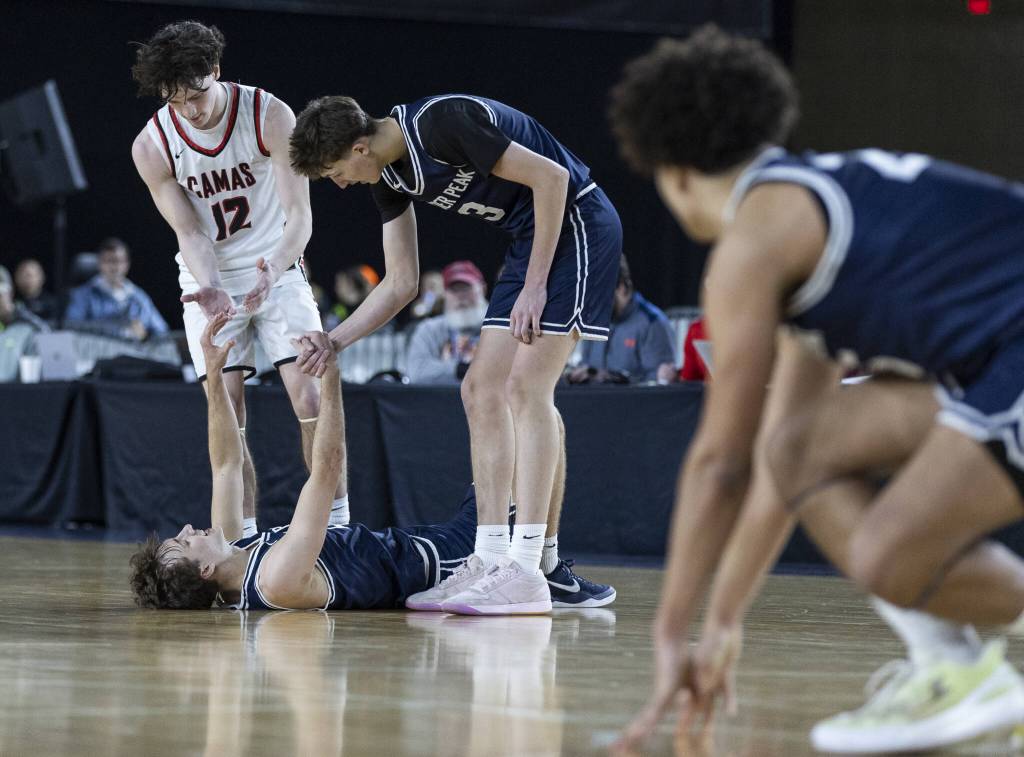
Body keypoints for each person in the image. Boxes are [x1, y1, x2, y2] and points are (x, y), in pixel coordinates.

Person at [607, 25, 1024, 753]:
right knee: (803, 446)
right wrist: (723, 619)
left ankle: (966, 674)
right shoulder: (814, 211)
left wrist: (670, 628)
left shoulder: (752, 245)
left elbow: (720, 463)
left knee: (889, 558)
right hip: (997, 358)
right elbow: (780, 463)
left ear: (672, 174)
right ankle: (950, 667)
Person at [288, 93, 621, 613]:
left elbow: (553, 179)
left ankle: (528, 567)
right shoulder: (390, 179)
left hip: (578, 227)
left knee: (525, 388)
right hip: (529, 239)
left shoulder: (442, 123)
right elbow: (401, 283)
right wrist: (335, 341)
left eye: (335, 171)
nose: (339, 183)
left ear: (358, 147)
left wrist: (535, 287)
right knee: (479, 388)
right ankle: (492, 558)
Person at [128, 315, 610, 611]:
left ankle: (545, 562)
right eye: (184, 541)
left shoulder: (235, 553)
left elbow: (226, 465)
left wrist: (214, 375)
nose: (189, 528)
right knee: (537, 418)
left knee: (522, 416)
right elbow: (328, 469)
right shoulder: (274, 578)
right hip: (451, 559)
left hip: (434, 538)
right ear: (205, 572)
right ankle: (545, 564)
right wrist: (332, 374)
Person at [129, 20, 347, 536]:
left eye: (198, 96)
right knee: (226, 408)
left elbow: (300, 216)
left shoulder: (269, 114)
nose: (191, 110)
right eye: (176, 100)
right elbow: (189, 230)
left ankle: (336, 531)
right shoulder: (152, 145)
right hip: (210, 281)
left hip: (278, 267)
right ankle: (242, 542)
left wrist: (274, 268)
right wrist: (210, 285)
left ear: (217, 71)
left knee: (310, 397)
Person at [568, 255, 676, 385]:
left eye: (599, 295)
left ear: (621, 288)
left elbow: (659, 385)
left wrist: (610, 378)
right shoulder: (593, 320)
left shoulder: (652, 323)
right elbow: (585, 364)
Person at [64, 238, 169, 340]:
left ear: (127, 264)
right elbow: (72, 326)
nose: (115, 267)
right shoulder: (83, 295)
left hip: (133, 353)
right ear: (100, 263)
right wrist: (114, 328)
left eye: (119, 261)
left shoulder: (138, 296)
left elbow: (162, 331)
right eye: (110, 261)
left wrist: (145, 334)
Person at [405, 260, 488, 385]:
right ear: (444, 294)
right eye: (453, 290)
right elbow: (417, 372)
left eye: (466, 288)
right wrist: (461, 368)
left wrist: (444, 369)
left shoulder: (498, 328)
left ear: (482, 289)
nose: (460, 296)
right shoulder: (429, 330)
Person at [13, 259, 58, 324]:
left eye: (29, 275)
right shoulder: (13, 303)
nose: (27, 280)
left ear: (41, 277)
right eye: (22, 275)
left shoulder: (51, 304)